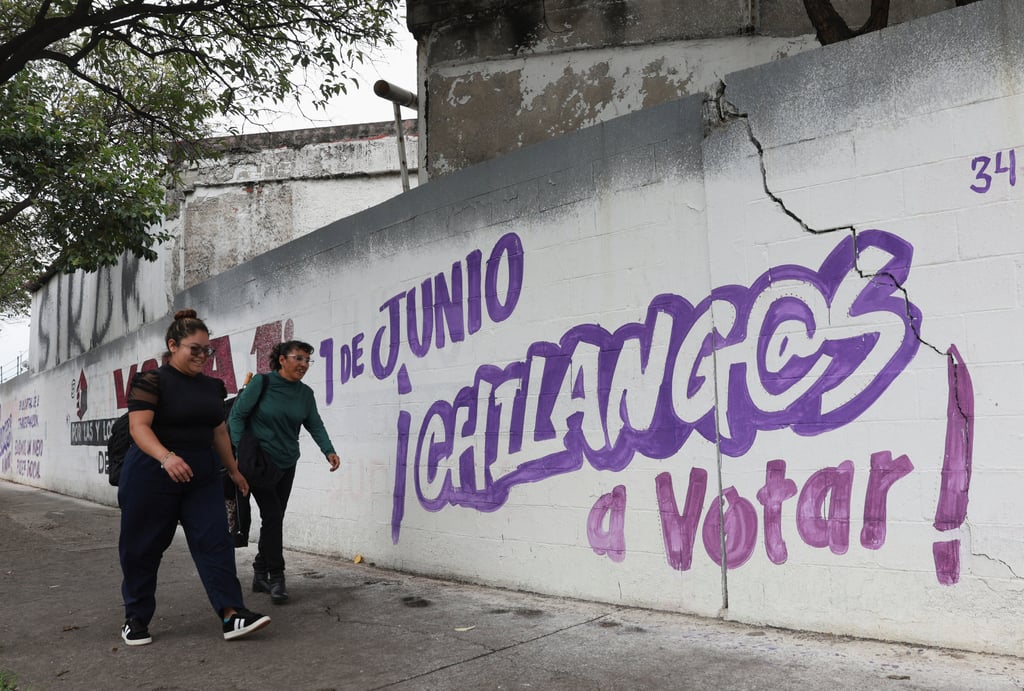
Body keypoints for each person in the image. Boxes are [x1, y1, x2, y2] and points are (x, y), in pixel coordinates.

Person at [118, 309, 271, 645]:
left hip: (201, 476)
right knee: (142, 548)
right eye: (195, 349)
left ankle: (232, 615)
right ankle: (136, 618)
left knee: (216, 543)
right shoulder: (151, 381)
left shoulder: (212, 387)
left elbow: (218, 431)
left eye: (207, 350)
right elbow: (138, 428)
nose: (203, 356)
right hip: (151, 475)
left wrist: (233, 471)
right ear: (173, 345)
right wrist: (166, 457)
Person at [228, 340, 340, 604]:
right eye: (298, 358)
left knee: (274, 519)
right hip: (258, 461)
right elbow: (236, 416)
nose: (303, 365)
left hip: (287, 462)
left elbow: (315, 424)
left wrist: (329, 450)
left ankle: (259, 570)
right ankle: (276, 577)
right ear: (282, 359)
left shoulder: (305, 394)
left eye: (307, 360)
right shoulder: (262, 384)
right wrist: (238, 452)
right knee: (274, 515)